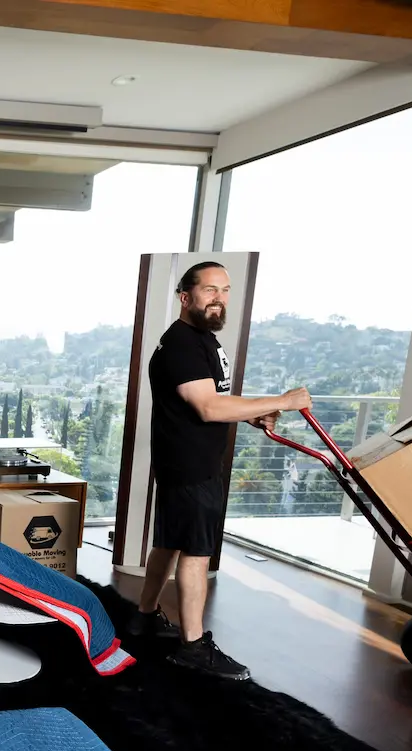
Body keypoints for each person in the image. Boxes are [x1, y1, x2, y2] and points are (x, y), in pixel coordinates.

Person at [130, 261, 311, 681]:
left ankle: (144, 617)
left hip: (187, 461)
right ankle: (192, 647)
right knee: (196, 554)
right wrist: (281, 402)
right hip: (191, 466)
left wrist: (251, 413)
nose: (219, 298)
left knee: (170, 543)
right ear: (185, 296)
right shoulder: (182, 345)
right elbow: (208, 407)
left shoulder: (202, 340)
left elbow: (213, 397)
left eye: (225, 290)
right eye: (210, 290)